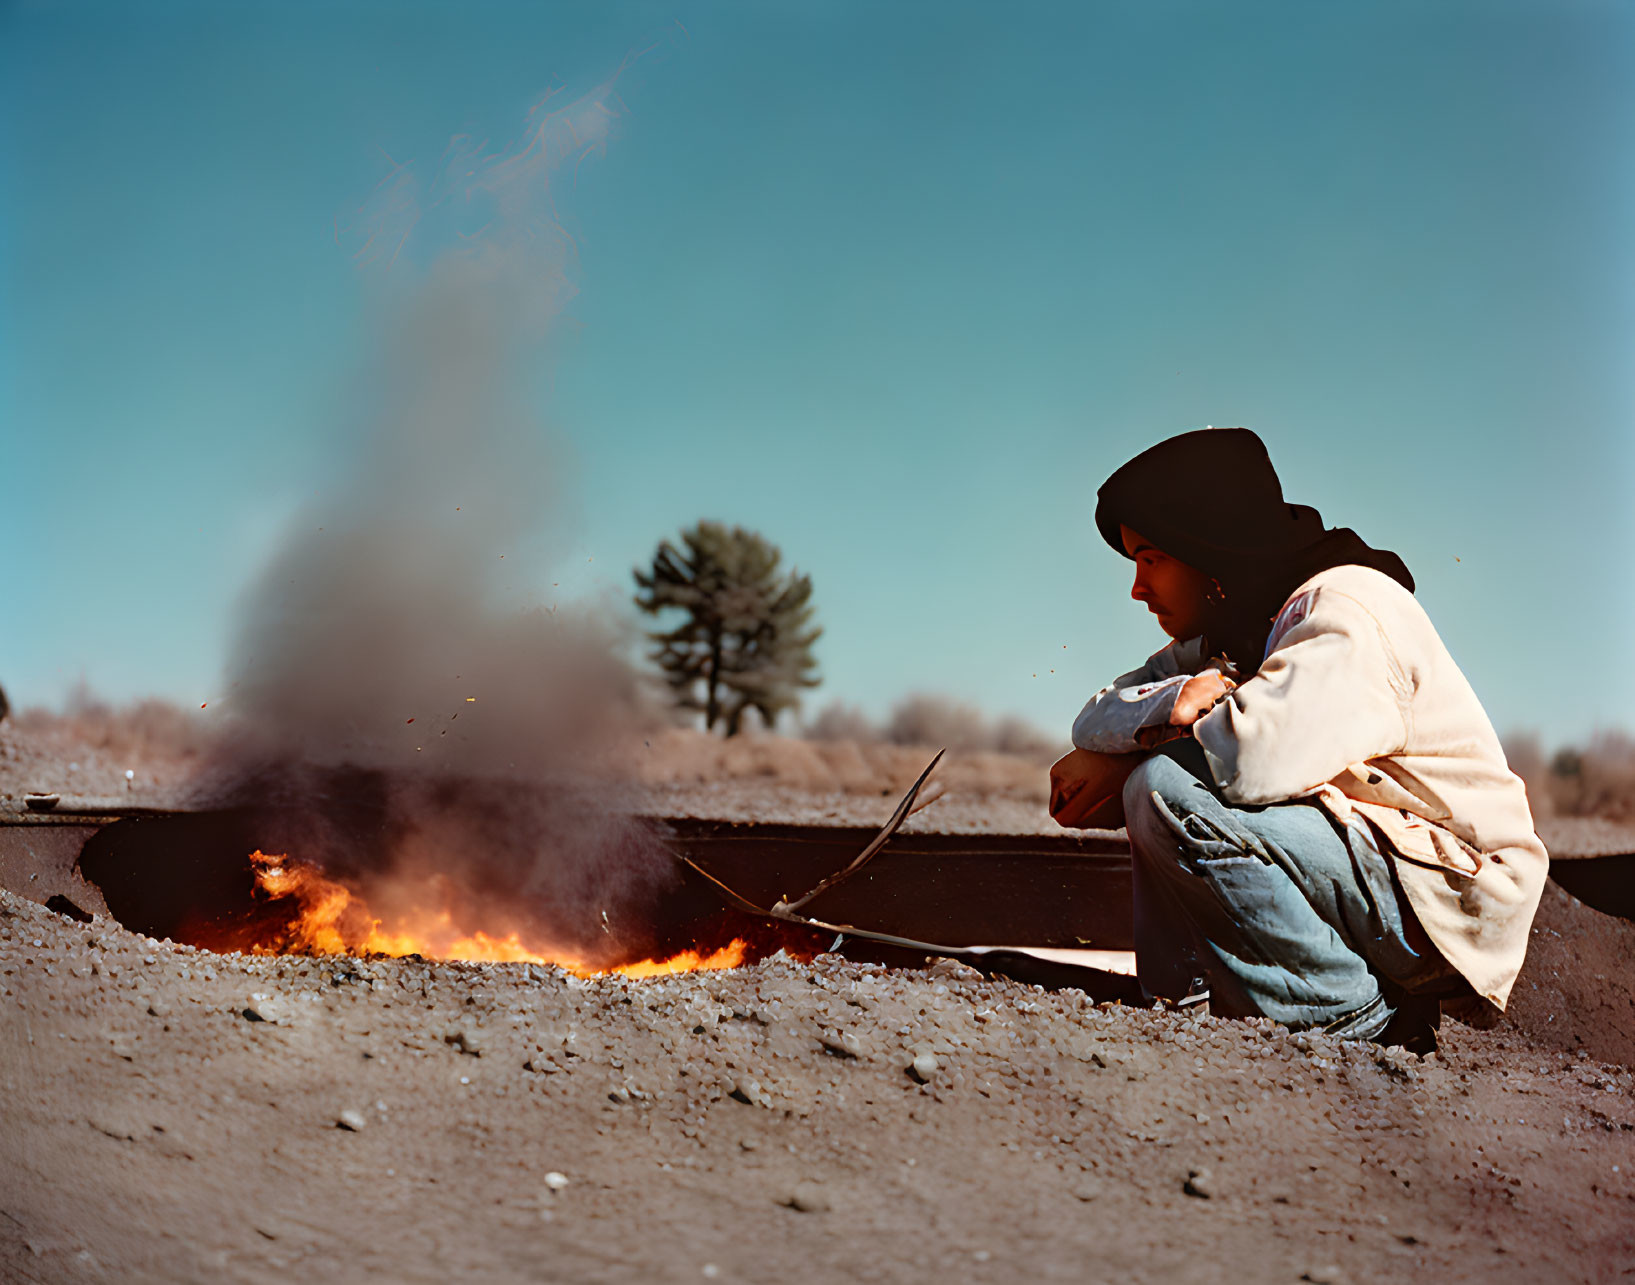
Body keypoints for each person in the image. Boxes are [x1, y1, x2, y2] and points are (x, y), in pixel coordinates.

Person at [1053, 427, 1548, 1046]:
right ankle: (1189, 1002)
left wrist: (1132, 755)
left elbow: (1250, 760)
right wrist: (1171, 702)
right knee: (1164, 782)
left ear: (1203, 549)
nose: (1138, 587)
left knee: (1164, 789)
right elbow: (1095, 717)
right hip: (1381, 866)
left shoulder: (1341, 609)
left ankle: (1349, 1015)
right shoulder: (1240, 626)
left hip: (1452, 895)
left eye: (1151, 559)